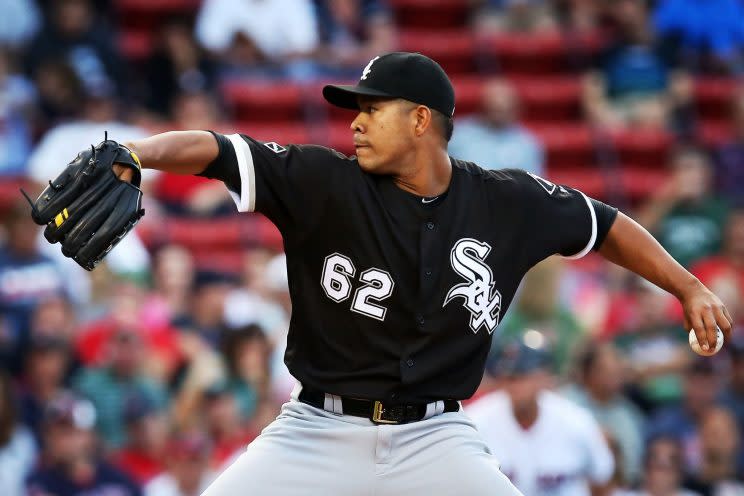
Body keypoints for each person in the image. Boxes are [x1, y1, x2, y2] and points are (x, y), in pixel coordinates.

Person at [91, 51, 728, 494]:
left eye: (373, 107)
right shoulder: (324, 182)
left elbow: (605, 224)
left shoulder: (505, 201)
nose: (356, 120)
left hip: (437, 439)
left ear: (421, 120)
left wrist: (687, 285)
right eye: (354, 109)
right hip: (316, 431)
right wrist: (137, 152)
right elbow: (217, 149)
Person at [466, 338, 615, 495]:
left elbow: (602, 477)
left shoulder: (575, 421)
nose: (515, 385)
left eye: (522, 376)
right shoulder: (476, 421)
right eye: (509, 377)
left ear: (543, 377)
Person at [448, 78, 545, 175]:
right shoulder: (456, 134)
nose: (499, 114)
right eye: (493, 108)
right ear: (482, 106)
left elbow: (533, 184)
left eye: (504, 109)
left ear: (516, 109)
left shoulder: (528, 143)